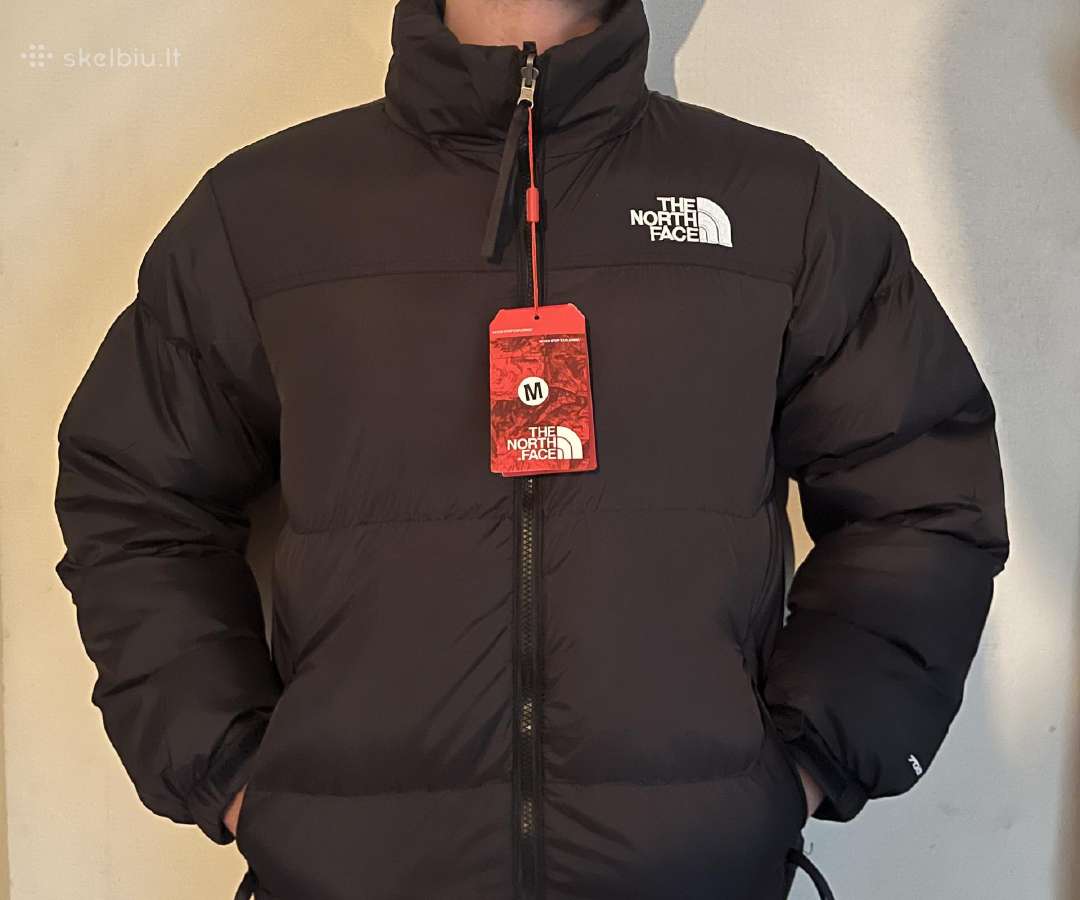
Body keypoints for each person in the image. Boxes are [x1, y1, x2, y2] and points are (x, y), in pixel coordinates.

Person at [51, 0, 1010, 898]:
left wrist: (808, 763)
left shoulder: (778, 208)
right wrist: (230, 774)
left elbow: (924, 493)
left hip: (687, 874)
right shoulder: (266, 215)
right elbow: (134, 496)